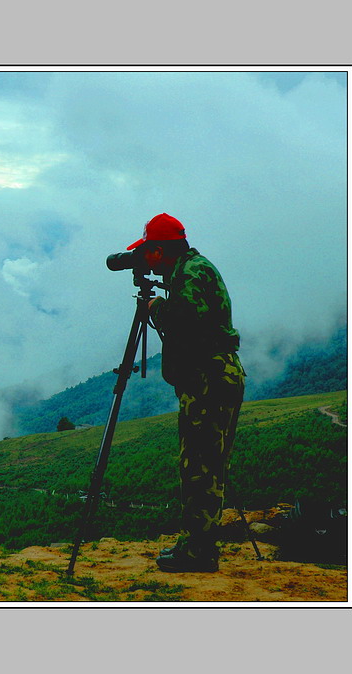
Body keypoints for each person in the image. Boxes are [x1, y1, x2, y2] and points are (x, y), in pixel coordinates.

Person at [127, 213, 246, 573]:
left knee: (199, 468)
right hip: (211, 377)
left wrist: (154, 308)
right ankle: (196, 544)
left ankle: (198, 553)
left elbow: (185, 318)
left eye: (147, 251)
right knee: (203, 464)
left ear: (159, 251)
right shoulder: (191, 270)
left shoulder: (193, 272)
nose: (145, 257)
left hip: (209, 380)